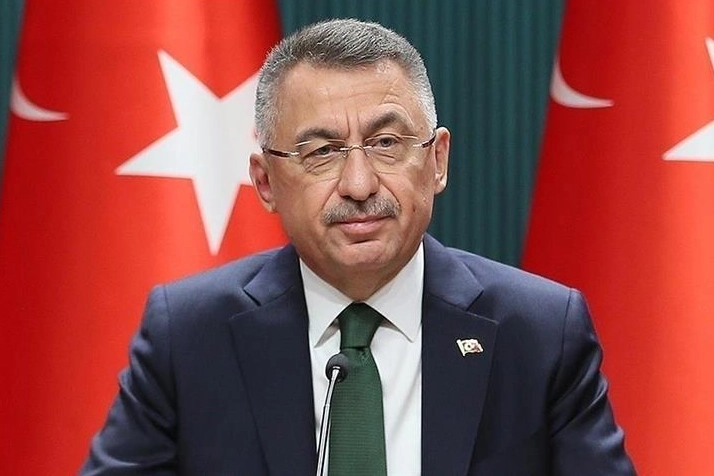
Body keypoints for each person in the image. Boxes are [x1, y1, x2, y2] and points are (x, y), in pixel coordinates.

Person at [81, 18, 635, 475]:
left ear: (437, 160)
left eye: (386, 143)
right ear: (266, 182)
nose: (360, 184)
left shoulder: (539, 333)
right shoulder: (188, 336)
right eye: (321, 152)